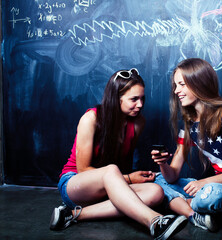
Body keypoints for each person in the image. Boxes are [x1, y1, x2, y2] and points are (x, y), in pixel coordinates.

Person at [50, 68, 187, 240]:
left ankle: (72, 215)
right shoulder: (91, 119)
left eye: (142, 98)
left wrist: (135, 177)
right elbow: (83, 169)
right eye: (134, 99)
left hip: (109, 188)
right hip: (76, 185)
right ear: (116, 98)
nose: (140, 105)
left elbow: (123, 164)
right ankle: (155, 222)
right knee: (111, 169)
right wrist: (129, 178)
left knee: (156, 192)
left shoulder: (138, 122)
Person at [151, 58, 222, 232]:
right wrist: (162, 163)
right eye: (175, 85)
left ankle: (184, 205)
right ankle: (194, 215)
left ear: (198, 83)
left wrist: (204, 183)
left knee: (210, 195)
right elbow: (172, 176)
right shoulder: (189, 124)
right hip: (216, 185)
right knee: (157, 181)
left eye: (181, 84)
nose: (176, 91)